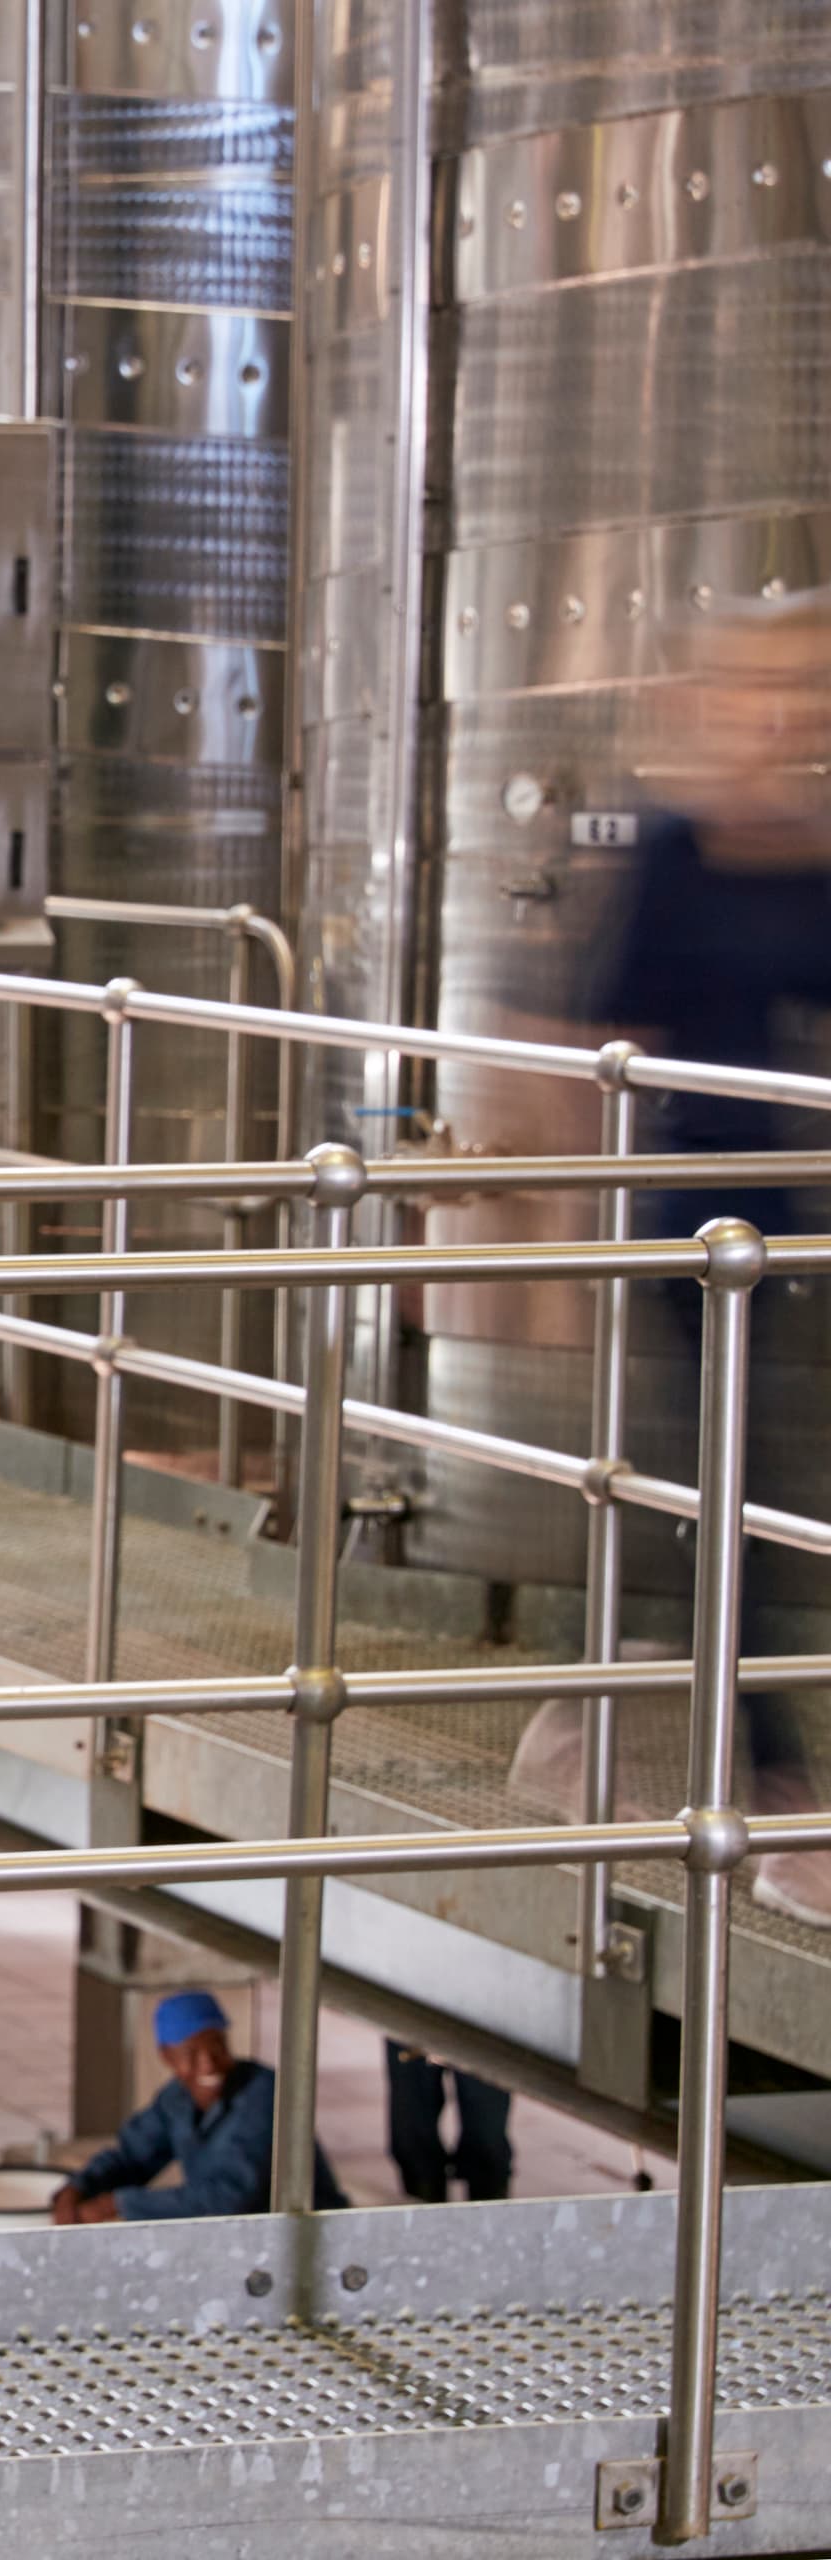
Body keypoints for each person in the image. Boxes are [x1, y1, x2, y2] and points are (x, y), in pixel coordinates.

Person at [527, 594, 831, 1923]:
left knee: (750, 1504)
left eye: (809, 693)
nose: (786, 716)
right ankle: (774, 1801)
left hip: (796, 1215)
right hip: (696, 1226)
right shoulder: (672, 854)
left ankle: (605, 1697)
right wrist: (550, 1223)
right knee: (743, 1496)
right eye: (767, 688)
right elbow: (584, 1025)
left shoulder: (814, 858)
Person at [51, 1991, 346, 2224]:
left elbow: (229, 2197)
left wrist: (117, 2204)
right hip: (240, 2238)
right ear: (167, 2058)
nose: (208, 2063)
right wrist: (78, 2189)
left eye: (217, 2046)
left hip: (304, 2236)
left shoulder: (265, 2093)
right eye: (191, 2053)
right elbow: (131, 2157)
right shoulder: (175, 2100)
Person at [383, 2041, 514, 2204]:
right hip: (414, 2022)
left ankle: (489, 2218)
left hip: (483, 2027)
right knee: (412, 2136)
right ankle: (425, 2218)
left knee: (487, 2140)